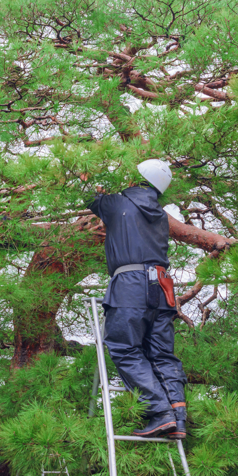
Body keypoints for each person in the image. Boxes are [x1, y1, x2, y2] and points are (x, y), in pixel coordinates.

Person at [88, 159, 188, 438]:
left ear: (134, 179)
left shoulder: (119, 203)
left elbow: (85, 194)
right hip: (162, 288)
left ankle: (159, 412)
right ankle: (178, 417)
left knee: (125, 348)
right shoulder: (159, 214)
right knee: (162, 353)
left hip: (130, 285)